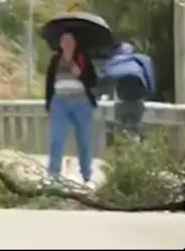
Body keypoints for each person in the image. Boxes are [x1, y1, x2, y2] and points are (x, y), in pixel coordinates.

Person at [44, 31, 98, 186]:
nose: (67, 44)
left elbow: (93, 81)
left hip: (81, 104)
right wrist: (48, 104)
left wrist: (80, 74)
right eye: (64, 41)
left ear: (75, 43)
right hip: (60, 103)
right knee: (57, 139)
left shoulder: (83, 58)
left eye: (70, 41)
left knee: (84, 140)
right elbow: (49, 83)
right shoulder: (55, 60)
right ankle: (53, 175)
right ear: (60, 44)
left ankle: (86, 175)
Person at [103, 42, 156, 141]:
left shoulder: (115, 62)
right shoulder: (139, 61)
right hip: (137, 102)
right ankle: (136, 145)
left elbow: (107, 78)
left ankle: (122, 145)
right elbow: (149, 77)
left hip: (121, 102)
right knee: (135, 130)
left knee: (120, 132)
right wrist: (151, 92)